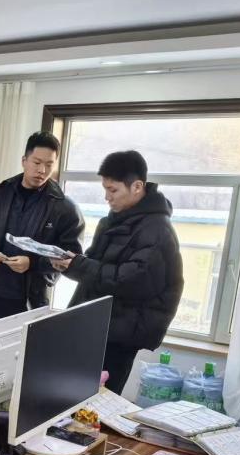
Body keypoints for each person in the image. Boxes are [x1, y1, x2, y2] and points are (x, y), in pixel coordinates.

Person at [50, 151, 184, 395]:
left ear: (137, 187)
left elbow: (130, 280)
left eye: (113, 190)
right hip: (99, 323)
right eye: (105, 189)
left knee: (101, 399)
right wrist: (69, 263)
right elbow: (95, 267)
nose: (107, 197)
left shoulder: (157, 230)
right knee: (75, 395)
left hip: (121, 332)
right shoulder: (116, 220)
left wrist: (80, 265)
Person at [0, 132, 84, 323]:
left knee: (29, 344)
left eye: (49, 164)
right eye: (37, 162)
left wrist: (33, 263)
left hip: (32, 302)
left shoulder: (65, 208)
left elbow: (71, 257)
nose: (42, 170)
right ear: (24, 161)